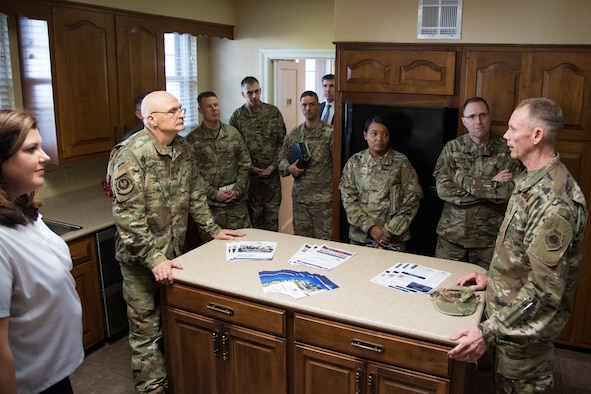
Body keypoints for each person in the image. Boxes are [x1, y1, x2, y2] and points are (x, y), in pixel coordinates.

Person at [107, 91, 245, 394]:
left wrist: (213, 230)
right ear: (151, 119)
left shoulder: (182, 147)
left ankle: (175, 380)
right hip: (140, 261)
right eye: (173, 110)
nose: (181, 114)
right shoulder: (131, 154)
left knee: (171, 324)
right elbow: (129, 219)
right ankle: (152, 389)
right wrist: (153, 258)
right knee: (146, 332)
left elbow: (195, 194)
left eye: (180, 108)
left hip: (173, 254)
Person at [448, 98, 588, 393]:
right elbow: (522, 254)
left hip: (524, 339)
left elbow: (543, 290)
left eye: (513, 129)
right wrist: (494, 280)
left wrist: (485, 332)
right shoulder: (529, 180)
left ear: (537, 136)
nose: (506, 136)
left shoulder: (553, 201)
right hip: (510, 323)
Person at [0, 109, 84, 394]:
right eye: (30, 149)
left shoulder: (26, 213)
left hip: (54, 373)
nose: (45, 156)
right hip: (27, 383)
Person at [434, 97, 523, 270]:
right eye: (472, 116)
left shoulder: (507, 149)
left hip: (488, 240)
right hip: (451, 237)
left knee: (485, 291)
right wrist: (490, 186)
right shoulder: (452, 149)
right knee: (444, 288)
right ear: (464, 121)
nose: (478, 121)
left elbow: (507, 191)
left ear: (489, 117)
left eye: (482, 115)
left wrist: (462, 180)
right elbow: (444, 190)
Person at [339, 115, 423, 251]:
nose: (379, 138)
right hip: (361, 237)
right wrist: (370, 227)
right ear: (365, 135)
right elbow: (348, 199)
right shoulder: (355, 162)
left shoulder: (401, 162)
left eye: (385, 134)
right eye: (374, 134)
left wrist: (388, 232)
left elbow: (412, 199)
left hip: (393, 240)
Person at [186, 91, 252, 241]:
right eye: (209, 106)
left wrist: (238, 189)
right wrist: (213, 193)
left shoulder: (233, 133)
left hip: (237, 205)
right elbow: (192, 174)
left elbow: (245, 163)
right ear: (200, 110)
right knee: (213, 251)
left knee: (244, 244)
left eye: (216, 105)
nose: (214, 109)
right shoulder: (192, 140)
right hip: (211, 209)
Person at [229, 76, 286, 231]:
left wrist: (274, 165)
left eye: (256, 92)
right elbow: (235, 148)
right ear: (243, 94)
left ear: (260, 91)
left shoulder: (273, 112)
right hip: (251, 179)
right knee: (254, 220)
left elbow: (282, 143)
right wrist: (251, 167)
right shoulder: (237, 117)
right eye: (249, 93)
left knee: (272, 219)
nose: (254, 96)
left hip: (271, 178)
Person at [278, 90, 334, 240]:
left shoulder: (330, 134)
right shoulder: (294, 134)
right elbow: (281, 159)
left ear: (318, 106)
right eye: (304, 105)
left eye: (311, 105)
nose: (308, 109)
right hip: (300, 201)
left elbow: (339, 166)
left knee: (325, 245)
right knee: (301, 243)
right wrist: (289, 168)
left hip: (324, 202)